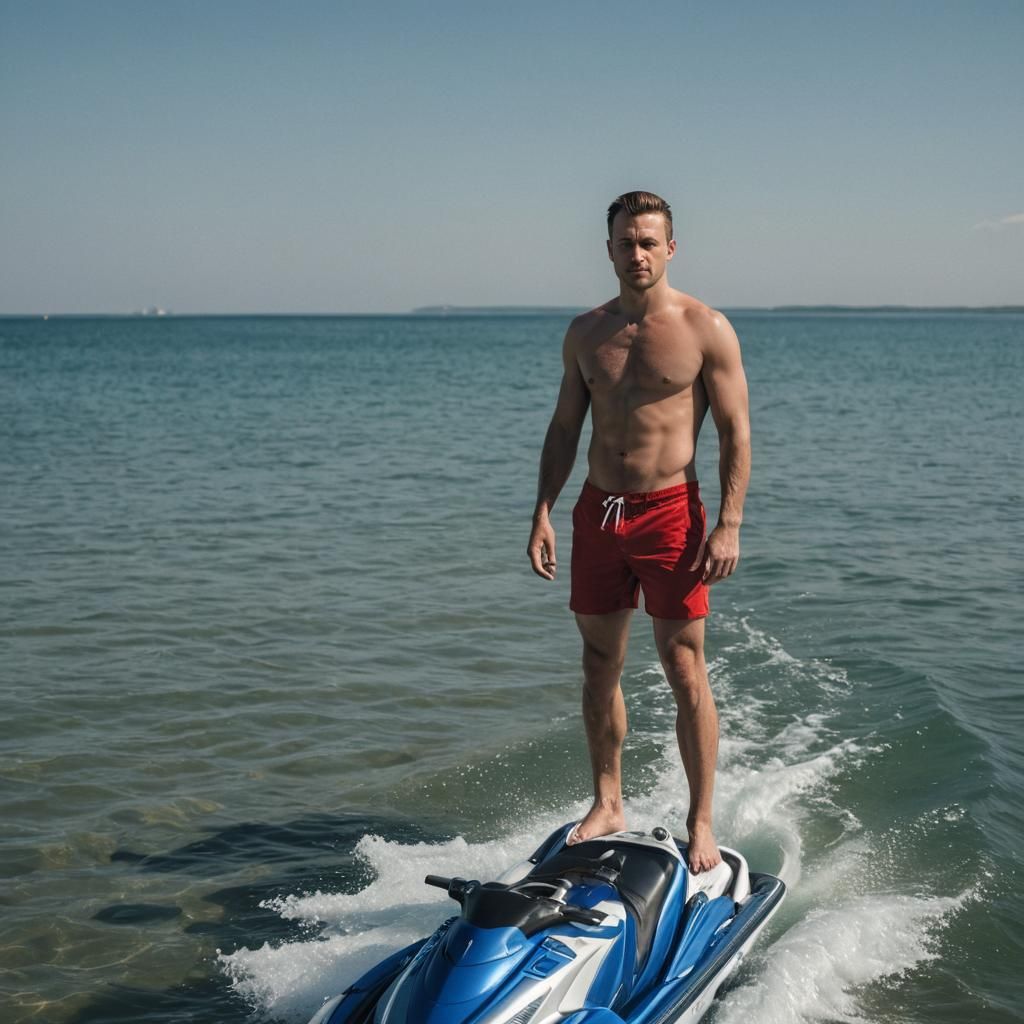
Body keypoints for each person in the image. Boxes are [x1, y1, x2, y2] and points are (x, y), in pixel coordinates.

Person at [527, 190, 751, 873]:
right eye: (626, 242)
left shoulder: (705, 328)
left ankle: (701, 820)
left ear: (671, 247)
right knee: (598, 665)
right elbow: (566, 427)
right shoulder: (586, 333)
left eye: (650, 241)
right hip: (599, 513)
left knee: (684, 670)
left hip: (670, 515)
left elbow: (735, 431)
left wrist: (729, 523)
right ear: (609, 250)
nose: (638, 253)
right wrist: (542, 507)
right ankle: (608, 801)